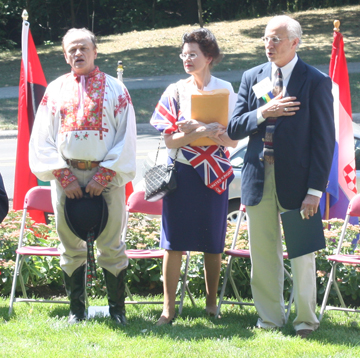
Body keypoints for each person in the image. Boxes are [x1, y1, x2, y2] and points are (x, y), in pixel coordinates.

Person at [227, 16, 335, 338]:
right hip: (258, 178)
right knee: (262, 254)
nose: (269, 45)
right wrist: (265, 111)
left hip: (299, 182)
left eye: (276, 39)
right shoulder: (252, 77)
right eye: (265, 39)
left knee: (302, 253)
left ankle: (305, 322)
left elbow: (324, 140)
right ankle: (269, 320)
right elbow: (234, 128)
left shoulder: (314, 81)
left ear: (295, 43)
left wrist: (315, 190)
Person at [29, 28, 136, 325]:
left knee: (112, 243)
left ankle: (118, 312)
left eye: (83, 48)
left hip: (108, 176)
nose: (77, 53)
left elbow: (126, 135)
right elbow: (42, 137)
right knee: (69, 243)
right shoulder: (55, 90)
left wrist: (105, 174)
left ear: (95, 51)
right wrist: (63, 175)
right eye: (71, 50)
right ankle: (77, 311)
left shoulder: (116, 90)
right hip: (67, 176)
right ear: (65, 55)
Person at [150, 28, 237, 325]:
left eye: (193, 54)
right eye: (183, 54)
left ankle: (212, 304)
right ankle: (168, 309)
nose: (186, 59)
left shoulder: (226, 90)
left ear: (208, 57)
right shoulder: (175, 90)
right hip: (182, 174)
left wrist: (197, 130)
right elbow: (170, 141)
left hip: (214, 173)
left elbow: (232, 141)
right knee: (173, 243)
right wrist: (201, 130)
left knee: (213, 241)